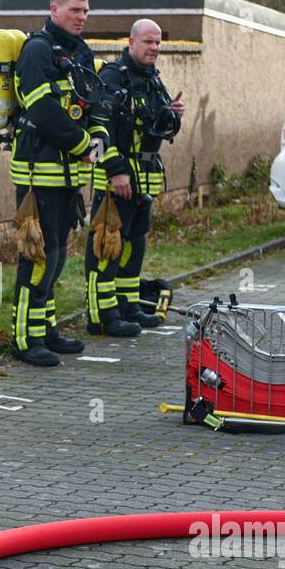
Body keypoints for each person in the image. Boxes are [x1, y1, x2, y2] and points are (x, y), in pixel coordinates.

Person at [9, 0, 108, 366]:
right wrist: (83, 145)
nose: (82, 17)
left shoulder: (80, 53)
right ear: (54, 10)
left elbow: (98, 103)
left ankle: (46, 330)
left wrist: (97, 136)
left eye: (85, 11)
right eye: (74, 11)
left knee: (57, 256)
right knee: (37, 256)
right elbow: (44, 113)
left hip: (69, 178)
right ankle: (24, 339)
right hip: (38, 174)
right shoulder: (36, 51)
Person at [85, 19, 184, 335]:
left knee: (134, 248)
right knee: (107, 249)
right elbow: (99, 131)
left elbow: (157, 129)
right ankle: (102, 317)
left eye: (157, 43)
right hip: (117, 182)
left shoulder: (153, 79)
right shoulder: (113, 77)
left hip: (143, 182)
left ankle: (128, 307)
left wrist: (173, 114)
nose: (154, 48)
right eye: (148, 42)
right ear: (131, 42)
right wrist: (116, 172)